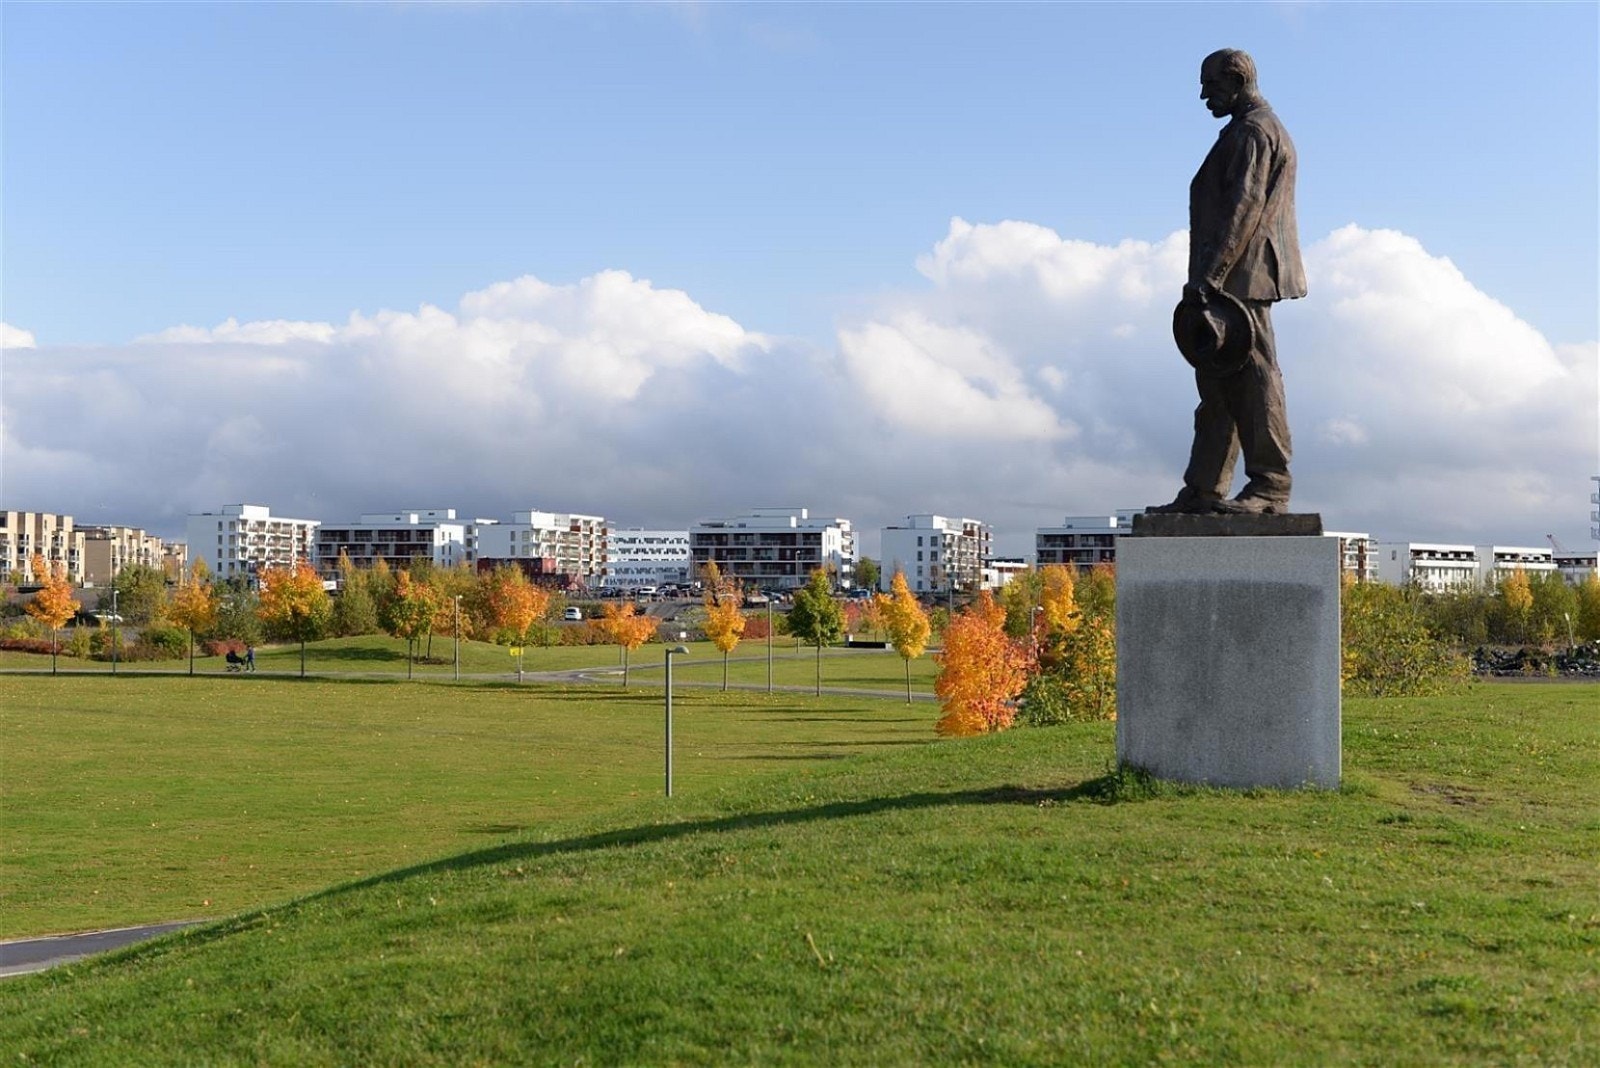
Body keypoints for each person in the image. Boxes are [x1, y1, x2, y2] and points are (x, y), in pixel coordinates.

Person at [1150, 48, 1306, 516]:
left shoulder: (1255, 133)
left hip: (1242, 280)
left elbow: (1245, 207)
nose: (1203, 95)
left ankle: (1270, 487)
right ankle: (1203, 488)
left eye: (1210, 85)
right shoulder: (1245, 131)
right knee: (1217, 388)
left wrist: (1210, 278)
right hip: (1231, 279)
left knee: (1257, 381)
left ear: (1236, 81)